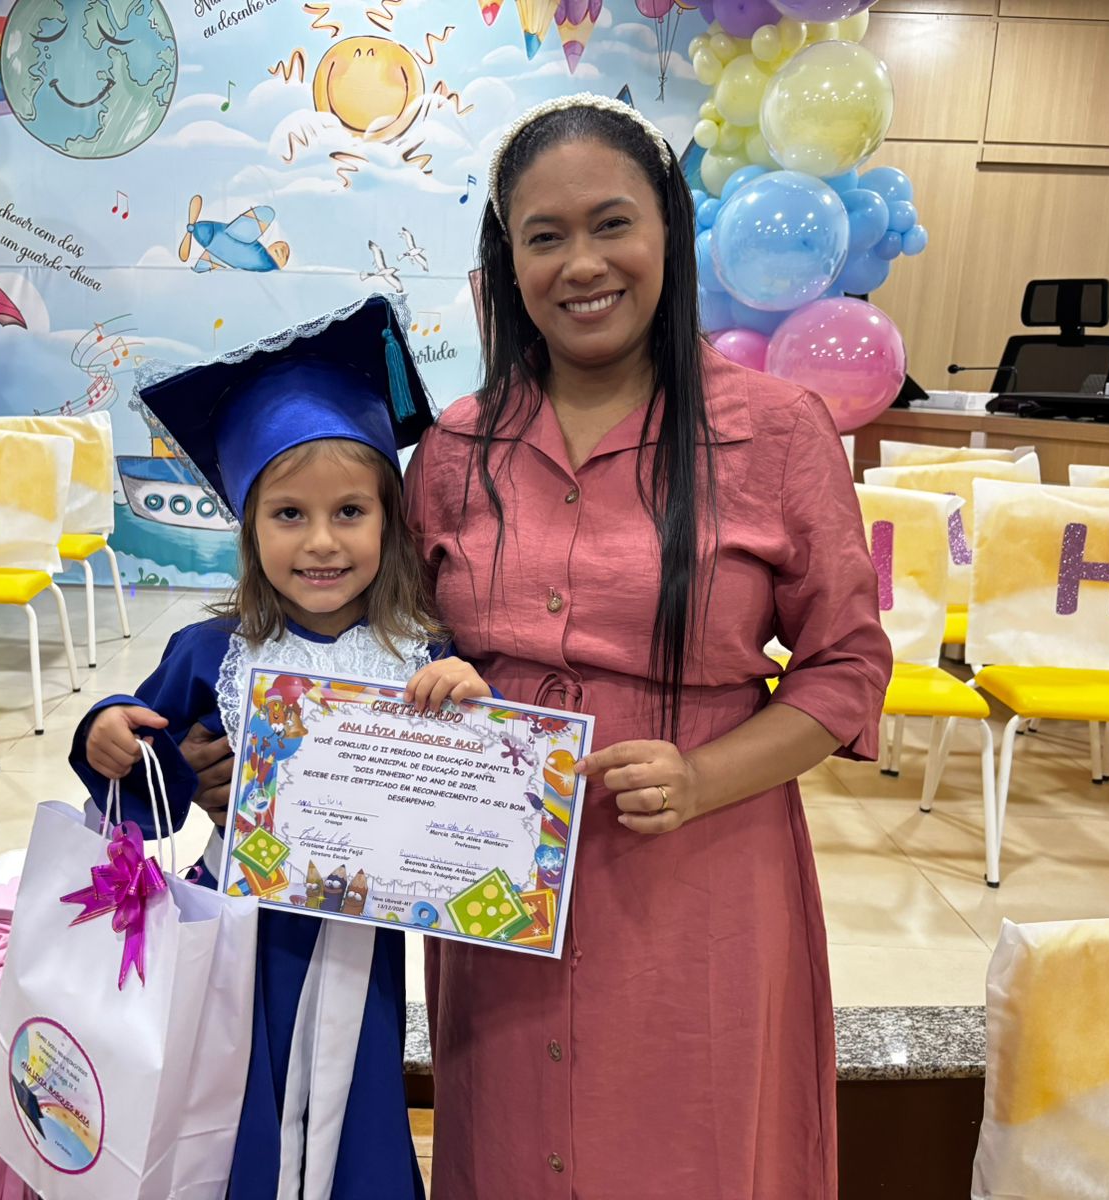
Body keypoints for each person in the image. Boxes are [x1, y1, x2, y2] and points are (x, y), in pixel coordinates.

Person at [397, 93, 892, 1197]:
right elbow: (400, 643)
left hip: (696, 878)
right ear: (509, 261)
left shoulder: (776, 430)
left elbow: (848, 667)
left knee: (689, 1149)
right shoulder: (457, 446)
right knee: (511, 1148)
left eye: (612, 223)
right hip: (495, 887)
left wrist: (704, 776)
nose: (582, 264)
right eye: (544, 236)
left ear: (670, 228)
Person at [70, 294, 489, 1199]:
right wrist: (106, 727)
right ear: (250, 530)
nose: (322, 542)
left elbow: (472, 801)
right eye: (289, 515)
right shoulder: (211, 652)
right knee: (232, 1102)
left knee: (355, 1098)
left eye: (350, 511)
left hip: (361, 937)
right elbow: (142, 773)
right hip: (236, 934)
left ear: (390, 523)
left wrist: (468, 704)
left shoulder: (423, 656)